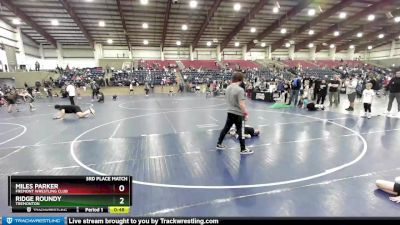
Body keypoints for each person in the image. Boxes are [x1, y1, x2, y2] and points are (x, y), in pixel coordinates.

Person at [216, 72, 253, 155]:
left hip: (230, 112)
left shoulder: (228, 88)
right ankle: (243, 149)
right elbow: (241, 104)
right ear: (241, 80)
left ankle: (219, 143)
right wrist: (246, 113)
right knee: (241, 131)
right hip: (238, 114)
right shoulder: (240, 90)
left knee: (226, 128)